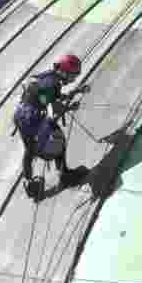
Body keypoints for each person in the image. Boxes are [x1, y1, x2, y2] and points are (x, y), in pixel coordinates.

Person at [13, 53, 91, 201]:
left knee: (29, 150)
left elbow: (50, 96)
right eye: (73, 75)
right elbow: (56, 109)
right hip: (33, 118)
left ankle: (30, 184)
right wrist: (70, 107)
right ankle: (65, 175)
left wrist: (76, 91)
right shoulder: (53, 83)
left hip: (21, 114)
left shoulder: (49, 76)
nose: (74, 79)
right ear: (65, 72)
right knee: (59, 141)